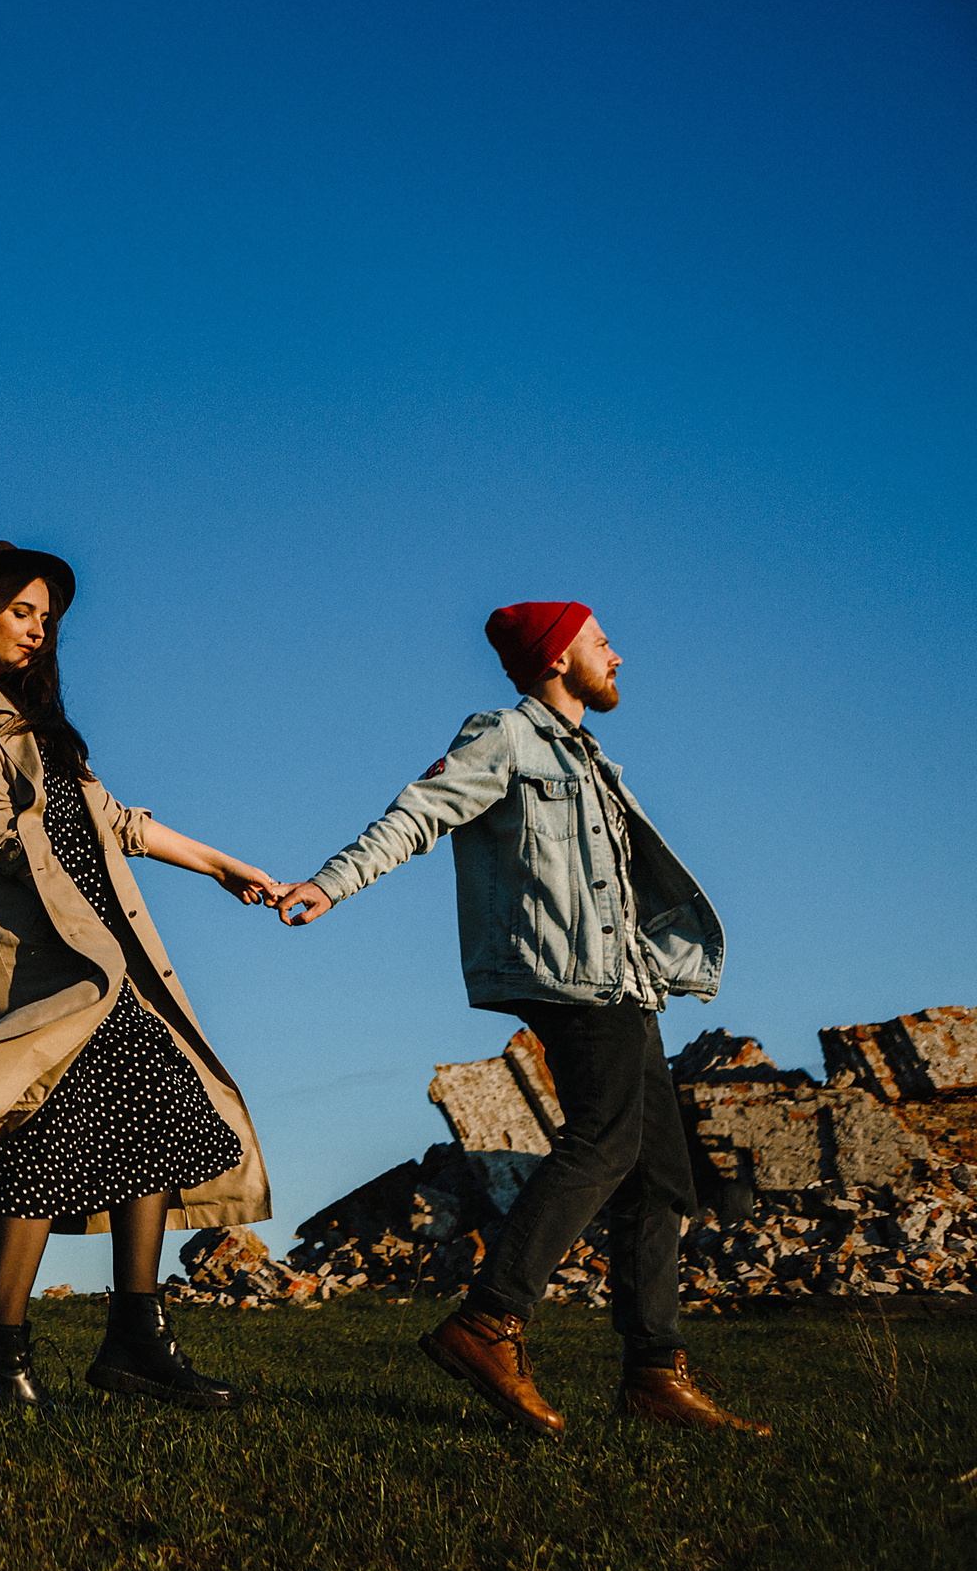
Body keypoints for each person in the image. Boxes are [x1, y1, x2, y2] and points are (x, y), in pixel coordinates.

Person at [272, 602, 767, 1436]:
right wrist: (332, 881)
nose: (618, 653)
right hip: (566, 977)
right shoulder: (503, 736)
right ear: (558, 656)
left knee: (663, 1179)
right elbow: (419, 812)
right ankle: (488, 1320)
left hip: (626, 983)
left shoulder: (595, 761)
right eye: (603, 641)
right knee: (605, 1141)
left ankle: (654, 1373)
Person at [0, 540, 276, 1411]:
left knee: (152, 1104)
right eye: (22, 611)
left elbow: (114, 821)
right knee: (49, 1124)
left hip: (96, 947)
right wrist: (79, 916)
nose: (37, 630)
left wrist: (217, 862)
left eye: (47, 619)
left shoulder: (31, 719)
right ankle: (17, 1356)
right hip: (42, 949)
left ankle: (115, 1339)